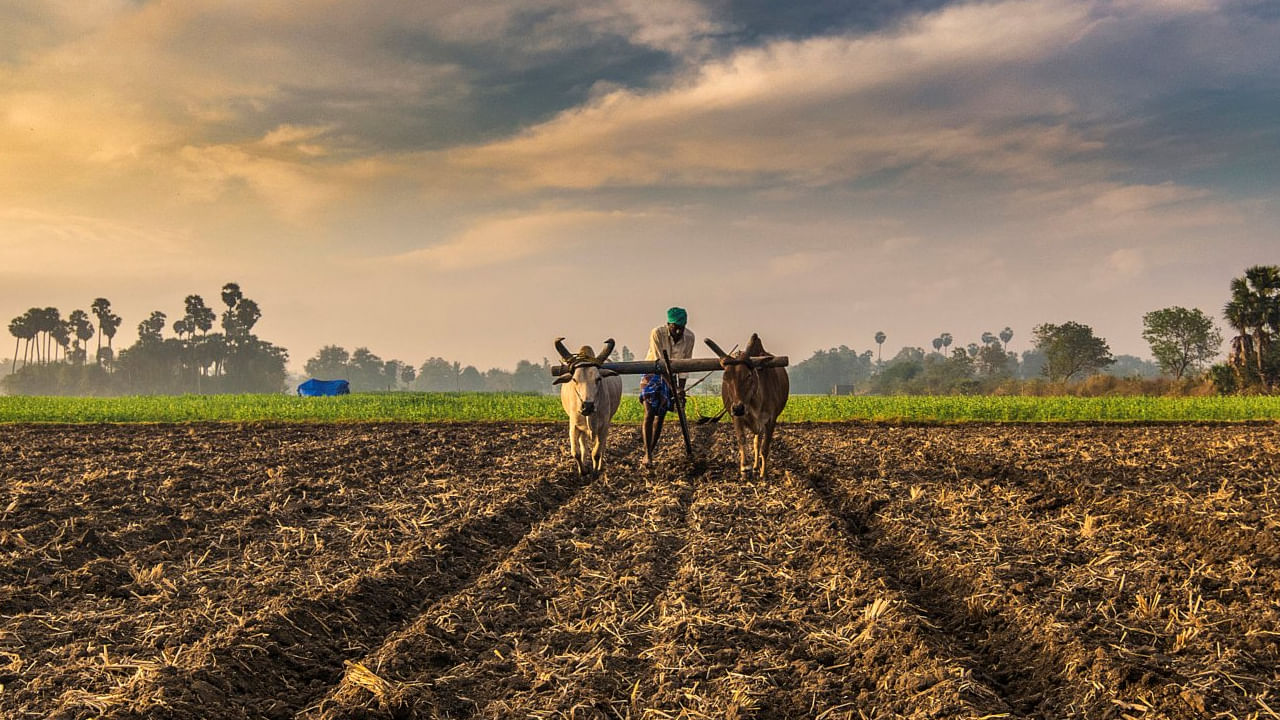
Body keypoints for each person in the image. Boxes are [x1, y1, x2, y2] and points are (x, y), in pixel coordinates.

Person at [641, 306, 695, 465]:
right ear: (668, 324)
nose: (678, 332)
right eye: (675, 328)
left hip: (672, 377)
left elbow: (686, 364)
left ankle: (651, 450)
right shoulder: (657, 333)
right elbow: (660, 363)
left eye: (681, 328)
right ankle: (647, 453)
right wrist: (674, 388)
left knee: (661, 415)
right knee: (649, 411)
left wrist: (681, 389)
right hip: (653, 371)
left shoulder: (690, 337)